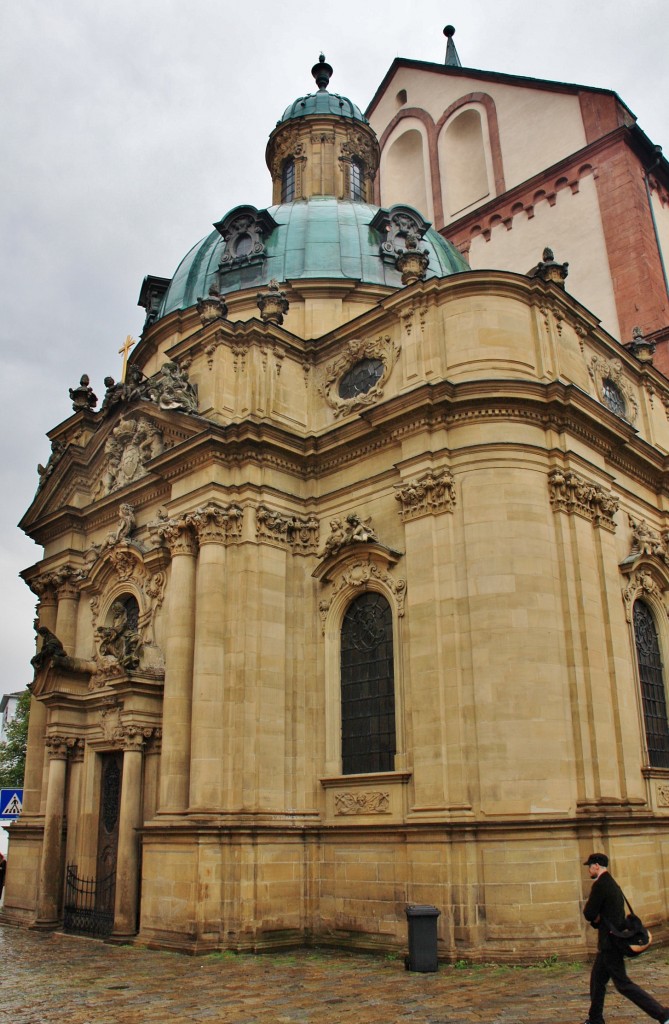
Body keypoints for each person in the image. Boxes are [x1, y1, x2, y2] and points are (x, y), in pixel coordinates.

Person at [582, 852, 669, 1024]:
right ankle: (595, 1019)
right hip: (610, 941)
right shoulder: (613, 883)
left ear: (597, 866)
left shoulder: (601, 885)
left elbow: (589, 913)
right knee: (597, 980)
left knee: (623, 985)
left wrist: (596, 918)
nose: (588, 870)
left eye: (590, 866)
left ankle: (663, 1015)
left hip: (610, 943)